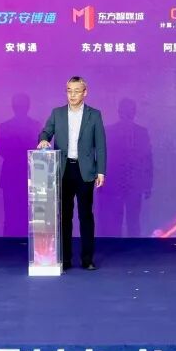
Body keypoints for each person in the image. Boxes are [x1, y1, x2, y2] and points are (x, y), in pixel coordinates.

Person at [37, 76, 107, 270]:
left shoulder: (94, 115)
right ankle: (65, 259)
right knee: (64, 216)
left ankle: (87, 259)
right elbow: (46, 132)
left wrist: (101, 171)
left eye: (77, 91)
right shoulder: (57, 113)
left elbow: (100, 145)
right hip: (63, 169)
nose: (72, 95)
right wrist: (43, 139)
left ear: (85, 93)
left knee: (85, 216)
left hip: (85, 171)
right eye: (69, 90)